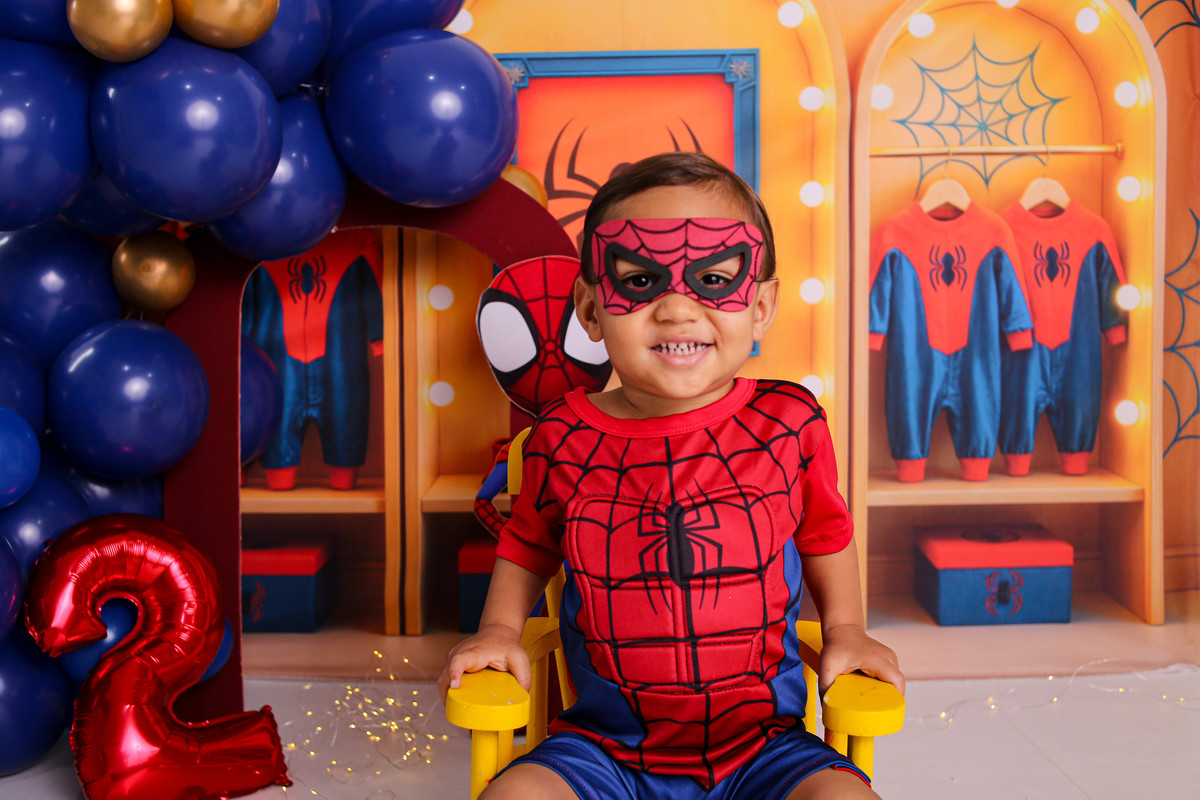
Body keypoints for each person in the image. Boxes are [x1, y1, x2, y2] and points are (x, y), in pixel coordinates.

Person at [440, 152, 904, 800]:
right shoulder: (561, 434)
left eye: (713, 279)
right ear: (590, 309)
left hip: (767, 747)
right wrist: (497, 630)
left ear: (762, 306)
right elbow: (527, 545)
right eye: (640, 281)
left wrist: (847, 631)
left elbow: (826, 533)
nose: (678, 309)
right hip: (600, 749)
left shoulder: (789, 422)